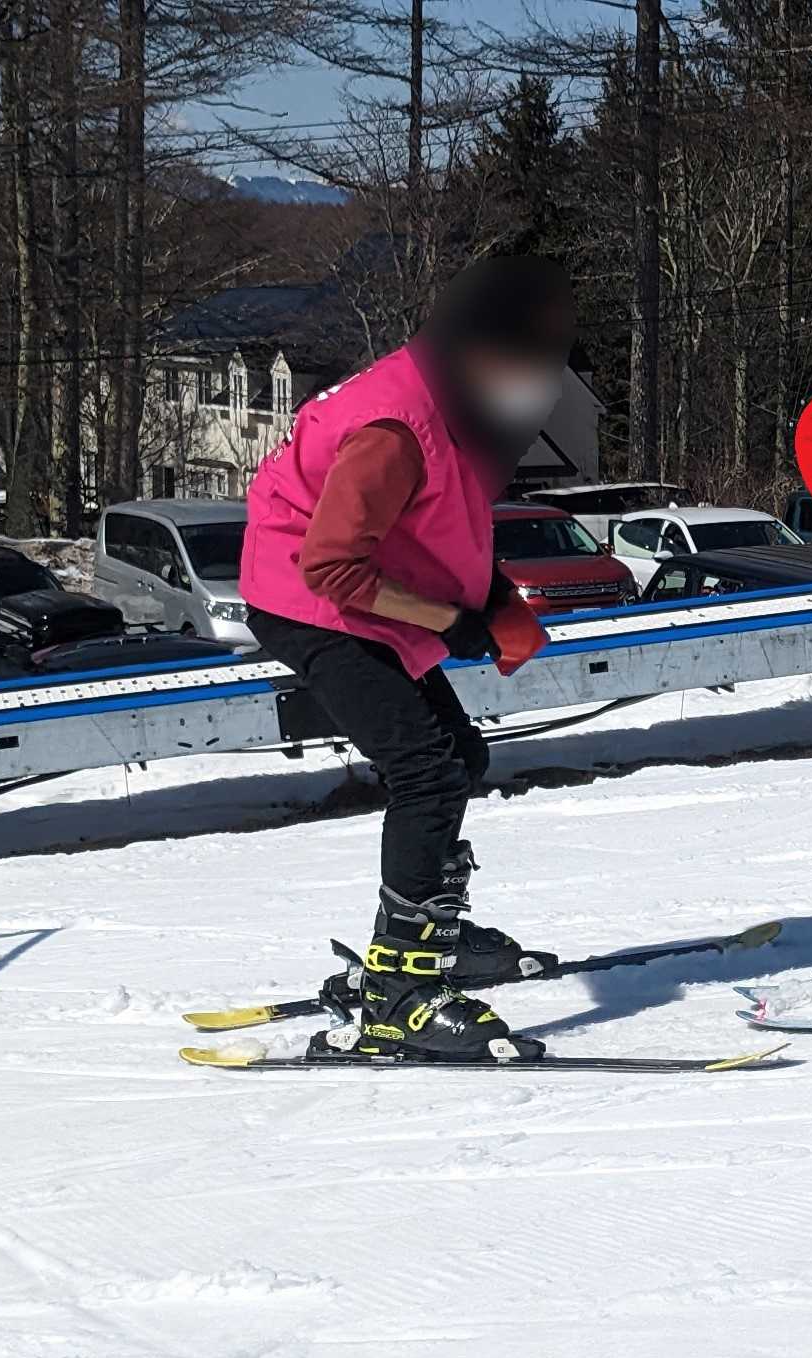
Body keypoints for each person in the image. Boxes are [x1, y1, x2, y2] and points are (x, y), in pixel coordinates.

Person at [239, 256, 573, 1061]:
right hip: (309, 603)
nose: (537, 382)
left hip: (366, 596)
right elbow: (331, 568)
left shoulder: (455, 403)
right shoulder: (394, 428)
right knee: (427, 769)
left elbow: (439, 518)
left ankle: (428, 934)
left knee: (459, 754)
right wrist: (452, 620)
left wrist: (493, 601)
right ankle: (402, 990)